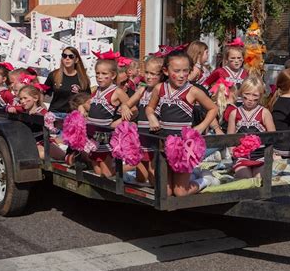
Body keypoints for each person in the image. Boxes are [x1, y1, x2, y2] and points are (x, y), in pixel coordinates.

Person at [145, 50, 218, 196]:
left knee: (180, 193)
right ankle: (191, 175)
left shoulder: (193, 91)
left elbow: (213, 108)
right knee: (165, 191)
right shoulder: (160, 88)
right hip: (164, 142)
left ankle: (206, 180)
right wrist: (151, 117)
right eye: (177, 71)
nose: (181, 75)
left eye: (185, 71)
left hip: (184, 145)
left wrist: (201, 126)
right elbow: (149, 107)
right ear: (166, 71)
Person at [121, 57, 165, 185]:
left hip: (154, 135)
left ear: (162, 75)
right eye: (146, 73)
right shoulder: (142, 89)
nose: (149, 77)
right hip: (141, 135)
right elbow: (127, 104)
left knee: (153, 176)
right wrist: (125, 108)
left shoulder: (162, 90)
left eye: (153, 74)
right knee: (141, 178)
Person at [87, 58, 131, 177]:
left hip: (105, 134)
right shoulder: (96, 90)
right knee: (98, 172)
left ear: (113, 75)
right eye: (97, 73)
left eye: (104, 74)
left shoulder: (117, 92)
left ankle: (132, 165)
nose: (99, 76)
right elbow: (86, 105)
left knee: (106, 173)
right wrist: (81, 108)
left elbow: (134, 111)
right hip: (92, 134)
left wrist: (118, 121)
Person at [227, 76, 275, 179]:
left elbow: (273, 136)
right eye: (247, 95)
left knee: (259, 178)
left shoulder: (265, 113)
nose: (250, 99)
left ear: (260, 96)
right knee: (246, 178)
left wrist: (272, 154)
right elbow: (229, 138)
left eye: (255, 96)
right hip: (242, 157)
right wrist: (232, 151)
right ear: (241, 93)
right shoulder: (234, 113)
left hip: (261, 156)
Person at [18, 85, 65, 161]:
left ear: (35, 98)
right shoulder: (22, 110)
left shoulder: (42, 111)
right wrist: (9, 108)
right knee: (43, 155)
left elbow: (51, 122)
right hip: (30, 142)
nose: (22, 101)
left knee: (63, 157)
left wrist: (38, 114)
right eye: (20, 99)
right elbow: (9, 107)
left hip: (44, 141)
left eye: (25, 98)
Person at [44, 47, 91, 118]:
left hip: (73, 116)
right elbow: (42, 92)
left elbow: (87, 99)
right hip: (55, 114)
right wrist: (41, 108)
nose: (67, 58)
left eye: (71, 56)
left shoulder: (83, 78)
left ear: (76, 60)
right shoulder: (53, 75)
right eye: (64, 56)